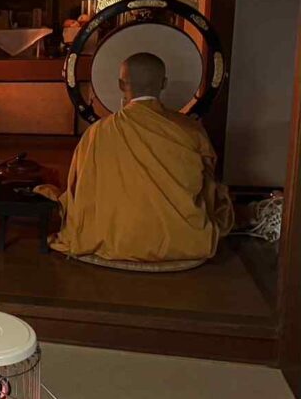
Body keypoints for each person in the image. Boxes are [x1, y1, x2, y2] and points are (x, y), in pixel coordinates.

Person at [43, 52, 234, 263]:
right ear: (164, 83)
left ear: (120, 84)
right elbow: (208, 182)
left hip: (111, 235)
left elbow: (78, 186)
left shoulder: (97, 132)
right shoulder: (190, 130)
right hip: (181, 237)